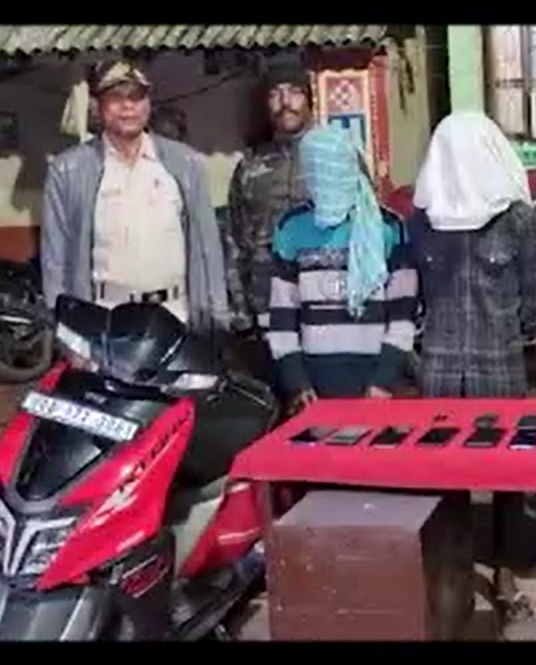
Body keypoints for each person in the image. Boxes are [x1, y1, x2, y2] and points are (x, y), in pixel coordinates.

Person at [408, 110, 536, 622]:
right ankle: (456, 572)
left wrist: (518, 334)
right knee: (447, 474)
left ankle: (505, 573)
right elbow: (415, 288)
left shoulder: (518, 219)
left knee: (507, 473)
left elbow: (535, 290)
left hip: (500, 363)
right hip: (440, 368)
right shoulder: (423, 220)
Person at [41, 58, 229, 332]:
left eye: (136, 96)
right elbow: (55, 259)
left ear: (148, 103)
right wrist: (67, 332)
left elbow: (208, 247)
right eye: (116, 97)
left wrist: (217, 318)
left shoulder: (185, 163)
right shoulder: (68, 170)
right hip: (106, 320)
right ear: (97, 105)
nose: (128, 106)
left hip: (176, 315)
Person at [266, 126, 417, 408]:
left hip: (375, 386)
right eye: (317, 170)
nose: (326, 178)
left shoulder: (387, 227)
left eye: (334, 168)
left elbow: (403, 314)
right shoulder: (292, 228)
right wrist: (297, 382)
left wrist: (383, 380)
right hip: (314, 387)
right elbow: (282, 316)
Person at [224, 66, 315, 386]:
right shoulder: (250, 167)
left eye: (294, 92)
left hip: (327, 310)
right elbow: (234, 241)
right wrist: (240, 313)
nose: (285, 102)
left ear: (309, 99)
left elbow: (366, 232)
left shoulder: (336, 157)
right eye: (276, 94)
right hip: (268, 310)